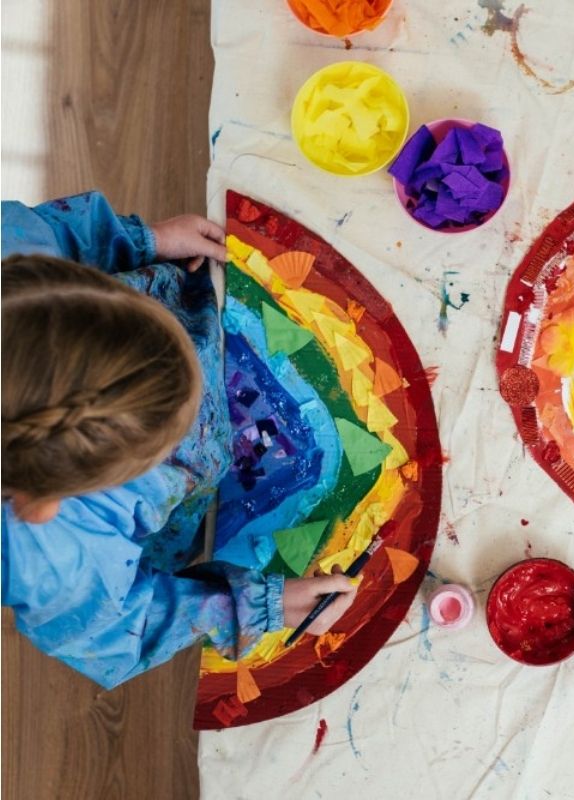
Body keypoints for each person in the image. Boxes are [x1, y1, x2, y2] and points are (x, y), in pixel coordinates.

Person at [1, 192, 357, 689]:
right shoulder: (56, 560)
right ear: (44, 504)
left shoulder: (12, 258)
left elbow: (51, 232)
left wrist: (145, 240)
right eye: (166, 446)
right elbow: (121, 627)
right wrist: (252, 605)